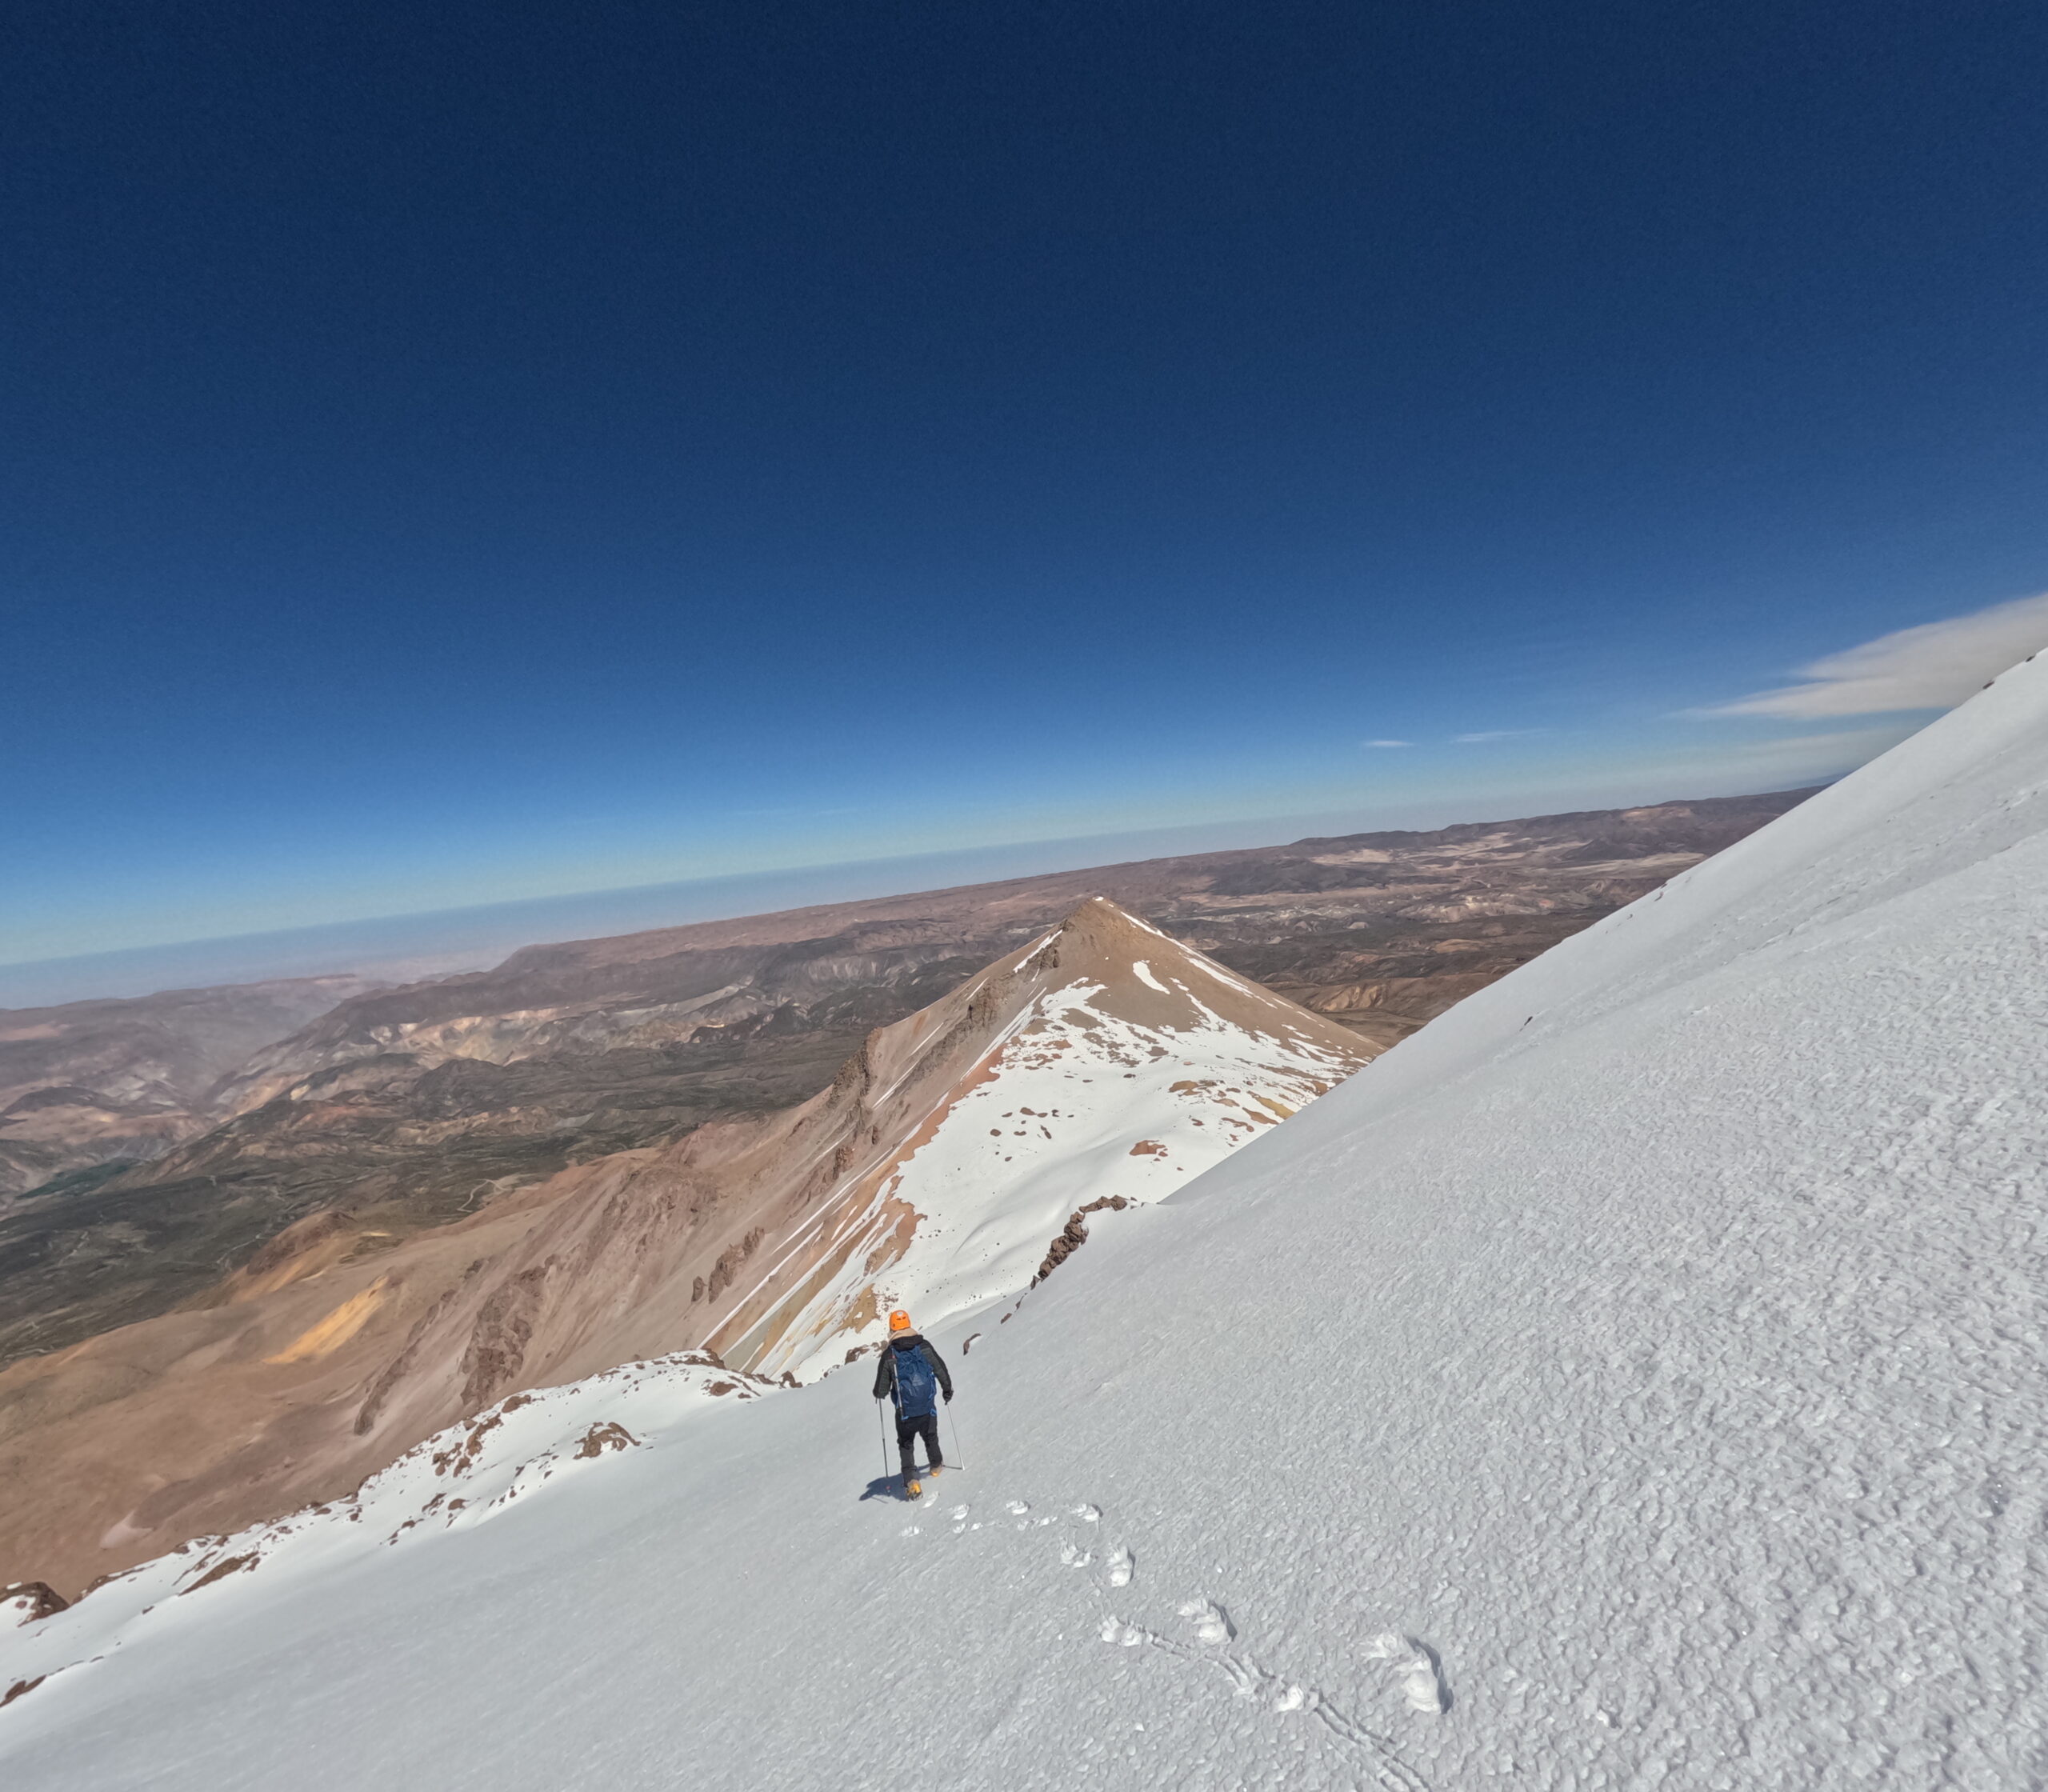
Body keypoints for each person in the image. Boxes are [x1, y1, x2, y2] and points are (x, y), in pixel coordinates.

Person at [873, 1309, 953, 1497]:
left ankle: (911, 1481)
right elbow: (940, 1368)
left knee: (906, 1444)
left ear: (892, 1329)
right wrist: (947, 1389)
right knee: (930, 1436)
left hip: (905, 1412)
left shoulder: (890, 1355)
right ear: (908, 1324)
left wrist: (878, 1393)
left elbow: (881, 1390)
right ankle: (935, 1467)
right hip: (927, 1407)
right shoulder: (924, 1346)